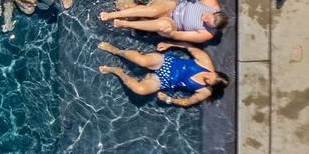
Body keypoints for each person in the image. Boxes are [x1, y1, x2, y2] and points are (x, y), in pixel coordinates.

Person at [95, 41, 228, 107]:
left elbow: (187, 102)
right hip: (166, 62)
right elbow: (188, 47)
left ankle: (117, 71)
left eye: (210, 80)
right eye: (212, 74)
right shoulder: (205, 62)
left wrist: (170, 100)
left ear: (211, 86)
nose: (208, 76)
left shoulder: (205, 92)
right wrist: (169, 44)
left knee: (139, 90)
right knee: (141, 60)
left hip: (164, 81)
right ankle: (117, 51)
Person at [97, 0, 228, 43]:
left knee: (162, 25)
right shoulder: (211, 4)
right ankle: (113, 15)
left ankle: (124, 24)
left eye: (208, 23)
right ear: (214, 12)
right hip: (174, 6)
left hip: (173, 24)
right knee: (153, 11)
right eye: (207, 17)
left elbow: (177, 36)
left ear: (213, 28)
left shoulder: (206, 34)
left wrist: (168, 32)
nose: (204, 19)